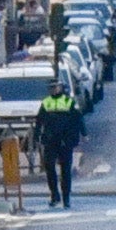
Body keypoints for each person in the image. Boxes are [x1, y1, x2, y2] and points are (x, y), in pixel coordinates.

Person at [36, 77, 83, 209]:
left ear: (60, 87)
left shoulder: (68, 101)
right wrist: (36, 136)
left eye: (55, 87)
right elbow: (39, 121)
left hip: (65, 141)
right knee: (49, 167)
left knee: (65, 171)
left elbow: (78, 118)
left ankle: (66, 198)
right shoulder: (46, 103)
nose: (53, 89)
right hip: (50, 141)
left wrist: (83, 134)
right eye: (51, 87)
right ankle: (54, 195)